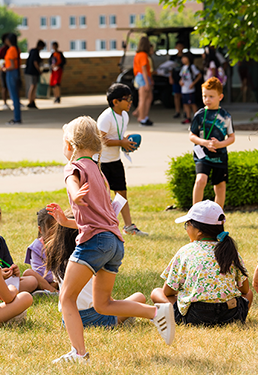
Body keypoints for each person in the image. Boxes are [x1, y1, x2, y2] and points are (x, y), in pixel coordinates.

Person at [48, 116, 175, 364]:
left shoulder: (74, 167)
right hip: (114, 243)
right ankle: (156, 311)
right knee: (103, 303)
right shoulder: (99, 172)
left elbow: (72, 183)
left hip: (95, 243)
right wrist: (67, 222)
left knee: (66, 298)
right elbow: (102, 218)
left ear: (69, 144)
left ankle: (79, 354)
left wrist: (75, 194)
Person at [150, 200, 251, 326]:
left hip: (196, 316)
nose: (186, 228)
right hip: (230, 314)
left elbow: (167, 292)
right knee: (249, 294)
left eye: (187, 224)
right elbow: (245, 289)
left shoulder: (186, 251)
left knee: (156, 293)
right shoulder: (230, 251)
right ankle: (237, 320)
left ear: (199, 231)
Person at [44, 213, 146, 327]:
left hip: (68, 318)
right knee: (139, 297)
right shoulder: (91, 260)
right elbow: (105, 300)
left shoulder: (58, 261)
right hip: (97, 317)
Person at [97, 83, 148, 236]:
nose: (130, 102)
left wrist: (126, 142)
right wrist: (121, 142)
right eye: (127, 99)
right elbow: (100, 140)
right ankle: (103, 227)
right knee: (103, 196)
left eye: (131, 99)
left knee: (121, 194)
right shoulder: (105, 117)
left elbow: (118, 136)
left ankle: (129, 227)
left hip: (115, 160)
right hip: (102, 163)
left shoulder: (124, 116)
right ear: (115, 102)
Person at [188, 77, 235, 208]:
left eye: (211, 96)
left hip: (220, 157)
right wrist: (204, 143)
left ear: (220, 97)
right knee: (200, 180)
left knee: (220, 187)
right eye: (204, 96)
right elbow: (191, 135)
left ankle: (217, 215)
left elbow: (232, 137)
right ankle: (195, 213)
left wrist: (220, 144)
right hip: (203, 155)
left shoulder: (226, 116)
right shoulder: (199, 115)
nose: (207, 99)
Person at [24, 208, 60, 296]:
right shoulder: (36, 247)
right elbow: (38, 270)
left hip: (60, 278)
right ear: (41, 230)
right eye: (51, 227)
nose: (55, 230)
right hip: (46, 279)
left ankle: (51, 290)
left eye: (58, 226)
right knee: (28, 273)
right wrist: (54, 278)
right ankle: (55, 292)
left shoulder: (62, 243)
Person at [132, 37, 154, 126]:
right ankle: (142, 118)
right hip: (143, 77)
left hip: (139, 76)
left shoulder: (137, 55)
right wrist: (147, 83)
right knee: (143, 99)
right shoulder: (143, 55)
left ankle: (143, 115)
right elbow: (144, 69)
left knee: (148, 98)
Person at [2, 34, 22, 125]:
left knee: (14, 96)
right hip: (16, 72)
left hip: (11, 73)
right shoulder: (17, 49)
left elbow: (12, 66)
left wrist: (4, 69)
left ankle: (17, 118)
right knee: (16, 96)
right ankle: (17, 117)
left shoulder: (11, 50)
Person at [178, 54, 201, 124]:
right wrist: (180, 82)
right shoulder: (183, 67)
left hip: (190, 89)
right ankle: (188, 117)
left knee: (192, 103)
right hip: (184, 89)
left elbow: (199, 75)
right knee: (185, 104)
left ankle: (198, 118)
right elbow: (182, 77)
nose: (183, 60)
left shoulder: (192, 67)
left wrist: (193, 83)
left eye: (185, 58)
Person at [25, 40, 45, 109]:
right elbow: (35, 62)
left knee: (33, 86)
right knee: (33, 86)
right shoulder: (36, 52)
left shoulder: (32, 50)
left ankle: (32, 100)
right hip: (33, 71)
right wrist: (39, 71)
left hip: (29, 71)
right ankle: (31, 101)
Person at [169, 42, 187, 120]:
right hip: (175, 78)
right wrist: (170, 77)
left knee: (184, 95)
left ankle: (186, 112)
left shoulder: (186, 57)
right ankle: (177, 111)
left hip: (184, 79)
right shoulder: (172, 58)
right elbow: (170, 68)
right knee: (176, 95)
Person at [0, 33, 11, 111]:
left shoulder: (11, 49)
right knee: (4, 87)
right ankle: (5, 102)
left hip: (10, 69)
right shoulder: (3, 50)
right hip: (5, 70)